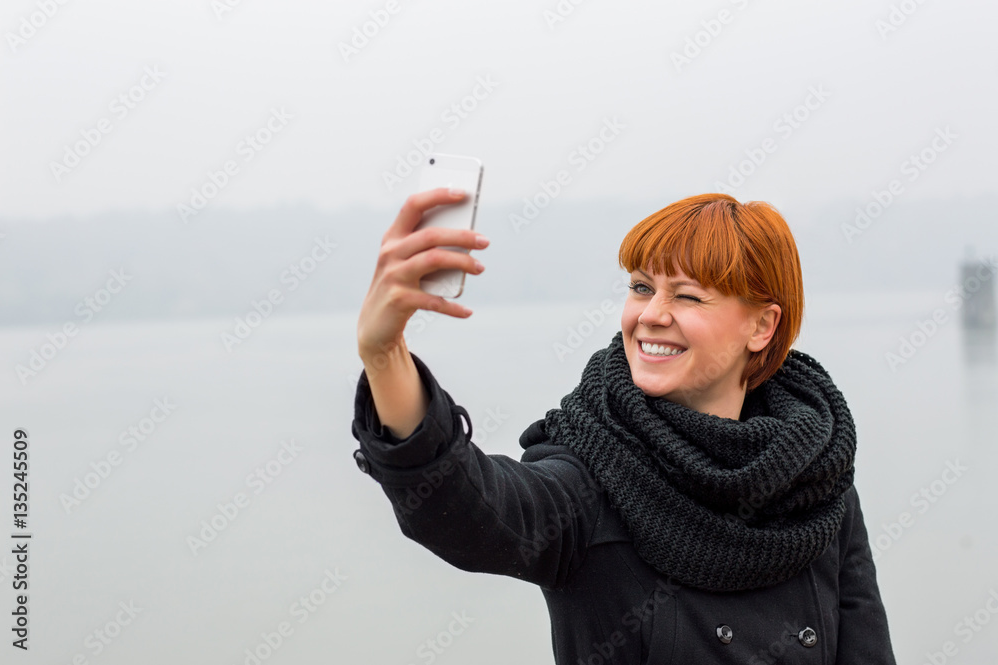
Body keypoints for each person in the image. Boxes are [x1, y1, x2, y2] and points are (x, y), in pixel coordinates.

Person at [351, 189, 897, 664]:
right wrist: (384, 354)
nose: (651, 314)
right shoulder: (592, 475)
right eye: (641, 287)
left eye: (686, 295)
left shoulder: (814, 477)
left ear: (762, 324)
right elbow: (466, 508)